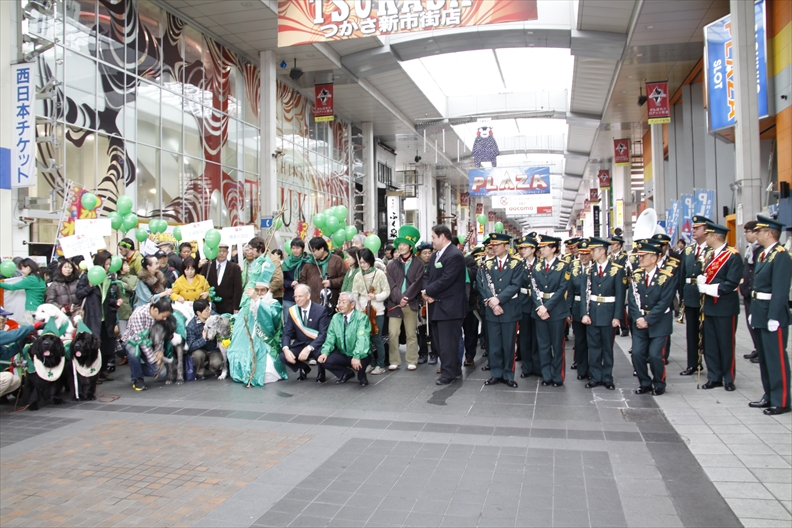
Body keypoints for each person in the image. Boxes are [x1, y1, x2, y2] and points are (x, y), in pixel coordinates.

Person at [748, 215, 791, 415]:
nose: (756, 234)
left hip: (773, 313)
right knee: (765, 358)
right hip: (760, 310)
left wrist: (774, 316)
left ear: (769, 233)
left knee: (776, 358)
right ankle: (769, 395)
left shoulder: (781, 255)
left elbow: (780, 289)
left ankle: (781, 400)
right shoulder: (763, 254)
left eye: (760, 231)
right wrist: (753, 311)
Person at [697, 221, 743, 391]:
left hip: (725, 307)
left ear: (715, 236)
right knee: (710, 344)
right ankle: (714, 376)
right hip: (709, 306)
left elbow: (731, 283)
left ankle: (728, 378)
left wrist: (708, 288)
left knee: (726, 344)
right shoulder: (710, 255)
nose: (706, 238)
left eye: (708, 235)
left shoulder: (732, 255)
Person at [628, 240, 677, 396]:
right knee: (637, 354)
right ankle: (645, 383)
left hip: (659, 322)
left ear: (655, 258)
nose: (640, 259)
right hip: (639, 321)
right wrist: (638, 317)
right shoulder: (636, 276)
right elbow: (632, 299)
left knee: (656, 355)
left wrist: (647, 320)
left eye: (644, 256)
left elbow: (664, 302)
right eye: (640, 256)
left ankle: (659, 383)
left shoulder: (666, 276)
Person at [476, 232, 523, 388]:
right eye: (492, 245)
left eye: (497, 245)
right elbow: (482, 285)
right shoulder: (487, 264)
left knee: (508, 344)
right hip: (492, 309)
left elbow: (515, 285)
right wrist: (493, 303)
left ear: (506, 246)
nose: (494, 248)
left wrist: (499, 299)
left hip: (509, 309)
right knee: (494, 344)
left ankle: (508, 374)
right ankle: (496, 373)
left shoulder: (516, 263)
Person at [422, 225, 466, 385]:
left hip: (450, 307)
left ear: (442, 236)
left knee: (448, 344)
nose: (432, 240)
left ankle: (448, 374)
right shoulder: (436, 255)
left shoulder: (455, 255)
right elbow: (427, 275)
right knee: (440, 343)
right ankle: (454, 370)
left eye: (433, 237)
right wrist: (426, 291)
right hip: (436, 306)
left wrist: (428, 291)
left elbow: (446, 279)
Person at [227, 273, 288, 386]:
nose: (259, 293)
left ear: (268, 290)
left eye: (262, 290)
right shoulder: (248, 304)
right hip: (248, 339)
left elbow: (271, 320)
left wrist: (257, 300)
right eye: (257, 290)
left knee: (267, 369)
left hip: (266, 342)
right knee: (236, 351)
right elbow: (241, 319)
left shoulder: (274, 304)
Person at [582, 237, 626, 390]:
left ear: (602, 251)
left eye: (594, 250)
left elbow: (620, 295)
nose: (591, 253)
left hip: (608, 313)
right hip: (593, 313)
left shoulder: (616, 270)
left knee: (607, 347)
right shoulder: (589, 270)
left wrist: (617, 316)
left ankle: (607, 377)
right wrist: (584, 313)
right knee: (593, 347)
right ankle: (595, 376)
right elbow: (585, 294)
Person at [531, 235, 570, 387]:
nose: (541, 249)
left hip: (556, 310)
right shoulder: (537, 266)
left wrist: (546, 307)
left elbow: (562, 289)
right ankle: (546, 374)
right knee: (543, 345)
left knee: (557, 344)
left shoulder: (563, 266)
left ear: (553, 249)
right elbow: (534, 289)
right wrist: (540, 307)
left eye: (545, 247)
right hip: (539, 310)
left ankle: (558, 375)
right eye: (540, 247)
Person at [77, 252, 122, 377]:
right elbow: (79, 294)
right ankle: (93, 372)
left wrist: (115, 302)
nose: (108, 267)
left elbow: (107, 298)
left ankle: (102, 370)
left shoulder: (109, 277)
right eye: (106, 264)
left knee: (107, 346)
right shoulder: (87, 276)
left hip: (106, 316)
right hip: (92, 315)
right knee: (94, 345)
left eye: (109, 264)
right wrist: (89, 286)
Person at [385, 225, 423, 371]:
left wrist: (406, 298)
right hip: (394, 303)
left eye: (404, 244)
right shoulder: (392, 264)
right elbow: (391, 284)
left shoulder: (418, 263)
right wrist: (399, 298)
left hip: (411, 303)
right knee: (393, 333)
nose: (400, 247)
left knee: (411, 333)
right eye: (399, 244)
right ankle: (394, 360)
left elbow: (417, 283)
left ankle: (412, 359)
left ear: (411, 247)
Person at [677, 215, 711, 376]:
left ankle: (712, 366)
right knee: (692, 332)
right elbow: (682, 274)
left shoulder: (711, 250)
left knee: (708, 333)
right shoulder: (689, 250)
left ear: (706, 230)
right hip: (690, 295)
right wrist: (682, 296)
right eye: (693, 228)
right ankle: (693, 364)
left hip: (706, 296)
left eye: (697, 228)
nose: (693, 230)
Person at [318, 291, 372, 386]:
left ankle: (362, 375)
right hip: (343, 352)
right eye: (339, 302)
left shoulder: (362, 318)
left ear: (352, 305)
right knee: (324, 360)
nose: (340, 305)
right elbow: (330, 337)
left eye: (343, 302)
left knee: (362, 359)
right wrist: (325, 352)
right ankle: (346, 373)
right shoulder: (335, 318)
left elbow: (362, 339)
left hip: (360, 353)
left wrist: (356, 356)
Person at [122, 297, 174, 391]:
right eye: (163, 316)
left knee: (161, 372)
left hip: (150, 343)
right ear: (156, 310)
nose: (165, 319)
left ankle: (135, 368)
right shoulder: (138, 314)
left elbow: (160, 336)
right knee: (134, 353)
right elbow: (141, 341)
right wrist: (154, 359)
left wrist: (159, 352)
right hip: (133, 341)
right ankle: (137, 378)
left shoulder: (160, 317)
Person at [280, 284, 330, 381]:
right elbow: (287, 333)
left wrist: (309, 348)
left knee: (321, 354)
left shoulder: (320, 310)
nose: (297, 299)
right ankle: (303, 368)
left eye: (300, 296)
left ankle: (321, 372)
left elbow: (323, 334)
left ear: (308, 296)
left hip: (316, 344)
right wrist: (286, 349)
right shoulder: (293, 311)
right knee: (283, 356)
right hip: (300, 343)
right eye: (295, 296)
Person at [352, 248, 388, 374]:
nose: (363, 265)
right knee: (365, 338)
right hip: (362, 311)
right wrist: (358, 309)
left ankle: (381, 365)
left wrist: (376, 297)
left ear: (370, 261)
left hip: (377, 311)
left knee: (377, 338)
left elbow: (386, 291)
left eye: (365, 262)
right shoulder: (358, 275)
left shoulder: (379, 274)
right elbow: (354, 294)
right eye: (361, 262)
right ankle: (371, 362)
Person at [516, 236, 540, 378]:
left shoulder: (540, 264)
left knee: (538, 336)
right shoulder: (519, 265)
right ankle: (527, 366)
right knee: (524, 336)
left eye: (525, 248)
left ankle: (538, 366)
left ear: (533, 249)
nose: (522, 250)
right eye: (521, 248)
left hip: (538, 303)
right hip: (524, 301)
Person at [568, 239, 593, 380]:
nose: (583, 257)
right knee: (580, 340)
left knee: (593, 341)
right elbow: (570, 291)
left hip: (593, 308)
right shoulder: (574, 267)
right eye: (581, 254)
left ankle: (594, 369)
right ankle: (582, 369)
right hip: (577, 307)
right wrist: (569, 310)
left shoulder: (596, 268)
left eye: (586, 254)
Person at [299, 237, 345, 310]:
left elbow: (344, 278)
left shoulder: (336, 260)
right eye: (311, 251)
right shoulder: (309, 263)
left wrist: (331, 283)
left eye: (314, 251)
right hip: (312, 303)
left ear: (322, 249)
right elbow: (302, 280)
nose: (312, 254)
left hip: (330, 303)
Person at [0, 258, 47, 325]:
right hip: (39, 307)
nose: (21, 271)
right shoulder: (41, 278)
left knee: (27, 328)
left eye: (22, 268)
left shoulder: (30, 279)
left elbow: (12, 287)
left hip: (31, 309)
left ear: (28, 268)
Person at [201, 243, 243, 315]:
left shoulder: (235, 268)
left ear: (228, 252)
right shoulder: (207, 267)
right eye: (219, 251)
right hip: (210, 306)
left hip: (228, 306)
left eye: (224, 251)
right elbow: (202, 283)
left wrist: (236, 307)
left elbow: (237, 289)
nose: (221, 253)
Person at [185, 300, 222, 380]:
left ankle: (212, 369)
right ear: (198, 313)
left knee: (217, 363)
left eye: (209, 309)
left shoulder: (212, 317)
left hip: (213, 349)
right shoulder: (191, 326)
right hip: (201, 350)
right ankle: (199, 372)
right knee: (197, 355)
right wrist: (203, 339)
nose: (209, 312)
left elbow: (221, 318)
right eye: (206, 310)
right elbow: (191, 346)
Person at [740, 221, 761, 362]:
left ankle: (761, 350)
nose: (745, 234)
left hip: (756, 293)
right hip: (747, 292)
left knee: (757, 323)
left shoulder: (761, 250)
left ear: (755, 233)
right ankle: (757, 347)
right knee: (750, 323)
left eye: (747, 231)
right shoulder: (750, 249)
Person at [462, 245, 483, 366]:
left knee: (471, 331)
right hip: (453, 304)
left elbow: (474, 274)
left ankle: (470, 356)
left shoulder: (469, 260)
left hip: (470, 304)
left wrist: (461, 267)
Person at [415, 241, 435, 363]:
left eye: (429, 253)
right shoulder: (416, 267)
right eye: (424, 253)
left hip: (432, 300)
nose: (427, 255)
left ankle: (434, 353)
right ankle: (422, 352)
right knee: (420, 329)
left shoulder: (435, 265)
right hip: (419, 301)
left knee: (433, 328)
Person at [610, 236, 630, 337]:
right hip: (611, 284)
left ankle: (624, 327)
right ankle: (616, 328)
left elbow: (626, 270)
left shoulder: (624, 257)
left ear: (619, 246)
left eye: (613, 244)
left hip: (621, 283)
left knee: (621, 306)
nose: (612, 246)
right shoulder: (610, 257)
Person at [282, 238, 307, 317]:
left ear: (302, 249)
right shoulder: (286, 262)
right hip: (289, 296)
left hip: (304, 296)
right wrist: (290, 283)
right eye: (293, 248)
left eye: (298, 248)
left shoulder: (307, 262)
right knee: (288, 320)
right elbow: (282, 280)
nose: (295, 250)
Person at [117, 261, 138, 340]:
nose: (128, 266)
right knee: (123, 333)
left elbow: (131, 287)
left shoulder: (133, 277)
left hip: (131, 307)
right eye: (125, 265)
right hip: (122, 309)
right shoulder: (116, 279)